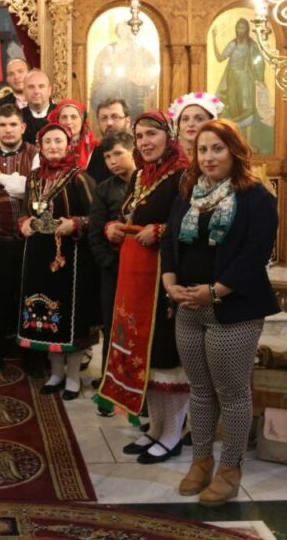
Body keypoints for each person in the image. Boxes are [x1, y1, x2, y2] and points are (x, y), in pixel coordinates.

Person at [161, 119, 278, 505]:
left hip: (234, 308)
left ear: (234, 150)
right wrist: (170, 283)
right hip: (188, 307)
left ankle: (230, 469)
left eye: (217, 148)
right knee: (199, 390)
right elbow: (170, 240)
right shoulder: (189, 192)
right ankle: (200, 462)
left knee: (232, 393)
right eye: (202, 149)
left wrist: (215, 292)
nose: (209, 157)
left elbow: (254, 255)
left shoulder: (256, 196)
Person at [98, 111, 190, 465]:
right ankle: (156, 427)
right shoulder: (139, 176)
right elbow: (130, 215)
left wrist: (162, 231)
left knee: (165, 355)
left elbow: (187, 223)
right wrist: (113, 228)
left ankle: (173, 433)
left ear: (168, 136)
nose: (145, 142)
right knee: (145, 356)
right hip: (135, 278)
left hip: (164, 277)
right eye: (139, 136)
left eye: (152, 134)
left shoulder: (183, 175)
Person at [16, 122, 97, 400]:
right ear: (40, 146)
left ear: (68, 145)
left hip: (71, 258)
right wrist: (24, 222)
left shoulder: (79, 177)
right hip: (38, 255)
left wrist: (75, 223)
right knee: (45, 314)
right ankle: (55, 374)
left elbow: (96, 217)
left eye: (58, 141)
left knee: (69, 318)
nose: (53, 146)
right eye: (48, 141)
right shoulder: (33, 177)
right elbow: (25, 210)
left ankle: (73, 377)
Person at [0, 103, 39, 376]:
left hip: (30, 242)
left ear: (22, 127)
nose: (8, 129)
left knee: (29, 299)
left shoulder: (36, 155)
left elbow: (35, 191)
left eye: (13, 124)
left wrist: (2, 178)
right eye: (3, 125)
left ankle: (32, 358)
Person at [86, 131, 137, 412]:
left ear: (132, 151)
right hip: (114, 269)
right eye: (107, 157)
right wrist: (110, 264)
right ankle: (109, 385)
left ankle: (137, 387)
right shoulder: (104, 189)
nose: (113, 161)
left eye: (118, 154)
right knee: (112, 326)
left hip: (144, 270)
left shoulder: (149, 184)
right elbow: (95, 233)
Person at [212, 19, 272, 150]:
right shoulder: (233, 44)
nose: (240, 30)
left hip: (246, 78)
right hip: (232, 78)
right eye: (238, 27)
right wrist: (213, 39)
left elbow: (259, 62)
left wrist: (260, 79)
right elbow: (220, 58)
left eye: (243, 27)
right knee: (234, 109)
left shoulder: (251, 45)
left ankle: (247, 143)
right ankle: (236, 143)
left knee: (247, 109)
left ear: (247, 29)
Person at [86, 98, 132, 183]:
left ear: (127, 121)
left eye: (115, 117)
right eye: (104, 118)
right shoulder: (96, 152)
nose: (109, 123)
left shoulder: (139, 148)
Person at [168, 92, 224, 158]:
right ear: (178, 125)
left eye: (199, 119)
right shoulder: (168, 156)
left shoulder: (221, 155)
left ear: (212, 123)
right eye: (185, 119)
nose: (190, 124)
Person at [49, 99, 97, 170]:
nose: (68, 122)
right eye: (64, 117)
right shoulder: (49, 146)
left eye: (74, 117)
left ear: (82, 120)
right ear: (58, 121)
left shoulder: (94, 147)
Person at [21, 70, 57, 144]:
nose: (36, 91)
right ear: (24, 91)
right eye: (31, 87)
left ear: (49, 90)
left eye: (41, 86)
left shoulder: (60, 114)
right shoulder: (17, 117)